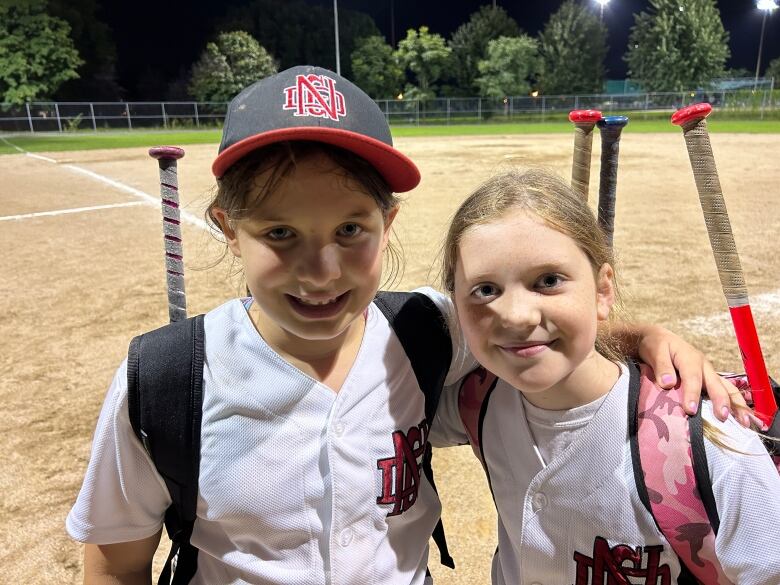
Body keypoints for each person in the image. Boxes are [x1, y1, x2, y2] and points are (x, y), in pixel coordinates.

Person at [66, 66, 743, 585]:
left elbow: (531, 328)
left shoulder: (423, 327)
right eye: (280, 232)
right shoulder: (167, 379)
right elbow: (117, 561)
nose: (322, 269)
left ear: (387, 223)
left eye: (351, 228)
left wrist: (641, 336)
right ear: (228, 230)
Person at [431, 168, 780, 584]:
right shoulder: (476, 401)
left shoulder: (707, 439)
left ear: (602, 291)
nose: (516, 316)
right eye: (485, 290)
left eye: (548, 281)